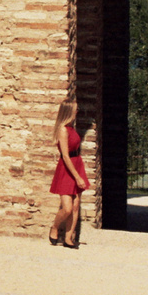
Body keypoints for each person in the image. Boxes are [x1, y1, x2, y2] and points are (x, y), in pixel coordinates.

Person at [48, 99, 89, 248]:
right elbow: (65, 156)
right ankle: (55, 227)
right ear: (68, 112)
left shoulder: (72, 127)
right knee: (67, 208)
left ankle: (68, 238)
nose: (77, 112)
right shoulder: (63, 129)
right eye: (75, 110)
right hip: (67, 168)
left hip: (77, 163)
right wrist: (77, 177)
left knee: (76, 206)